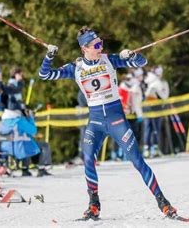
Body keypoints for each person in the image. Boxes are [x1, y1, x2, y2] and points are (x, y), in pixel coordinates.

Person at [38, 26, 179, 220]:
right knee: (88, 159)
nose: (100, 47)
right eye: (96, 45)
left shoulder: (110, 59)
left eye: (101, 43)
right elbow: (44, 75)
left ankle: (163, 202)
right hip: (95, 122)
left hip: (116, 120)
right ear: (84, 48)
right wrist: (49, 56)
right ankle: (93, 204)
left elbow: (143, 62)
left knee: (137, 161)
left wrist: (132, 55)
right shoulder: (75, 68)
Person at [0, 103, 52, 177]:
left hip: (4, 149)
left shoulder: (2, 122)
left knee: (25, 143)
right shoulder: (19, 121)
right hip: (18, 149)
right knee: (43, 145)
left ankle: (25, 169)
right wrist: (31, 118)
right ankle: (41, 168)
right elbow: (33, 131)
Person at [143, 66, 169, 158]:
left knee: (147, 128)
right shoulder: (158, 82)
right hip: (156, 107)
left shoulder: (146, 79)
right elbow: (164, 96)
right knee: (155, 128)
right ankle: (154, 149)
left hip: (146, 107)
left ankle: (146, 149)